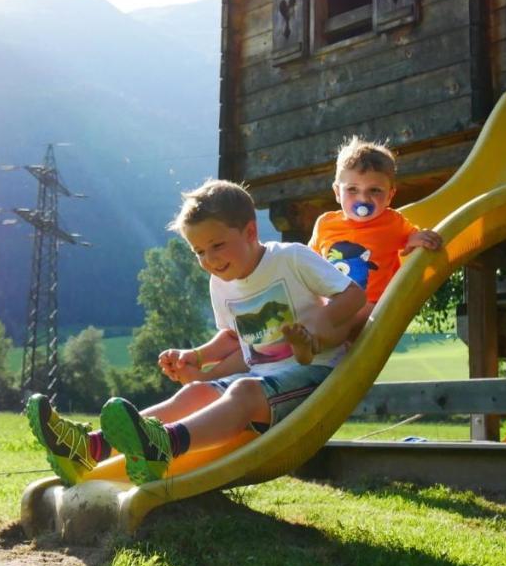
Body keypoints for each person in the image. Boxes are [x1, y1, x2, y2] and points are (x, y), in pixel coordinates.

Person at [26, 179, 364, 486]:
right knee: (195, 393)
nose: (210, 259)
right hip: (262, 377)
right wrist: (197, 357)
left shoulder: (291, 258)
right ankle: (89, 447)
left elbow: (353, 295)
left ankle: (166, 444)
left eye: (217, 245)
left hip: (313, 376)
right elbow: (234, 338)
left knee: (244, 391)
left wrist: (318, 329)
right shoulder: (221, 283)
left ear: (249, 232)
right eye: (199, 251)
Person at [286, 136, 443, 362]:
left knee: (347, 318)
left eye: (375, 191)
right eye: (352, 189)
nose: (363, 198)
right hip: (334, 301)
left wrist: (417, 238)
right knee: (315, 314)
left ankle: (314, 345)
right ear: (337, 192)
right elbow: (310, 261)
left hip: (375, 305)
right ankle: (310, 343)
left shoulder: (393, 223)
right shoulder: (326, 223)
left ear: (390, 195)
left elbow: (411, 236)